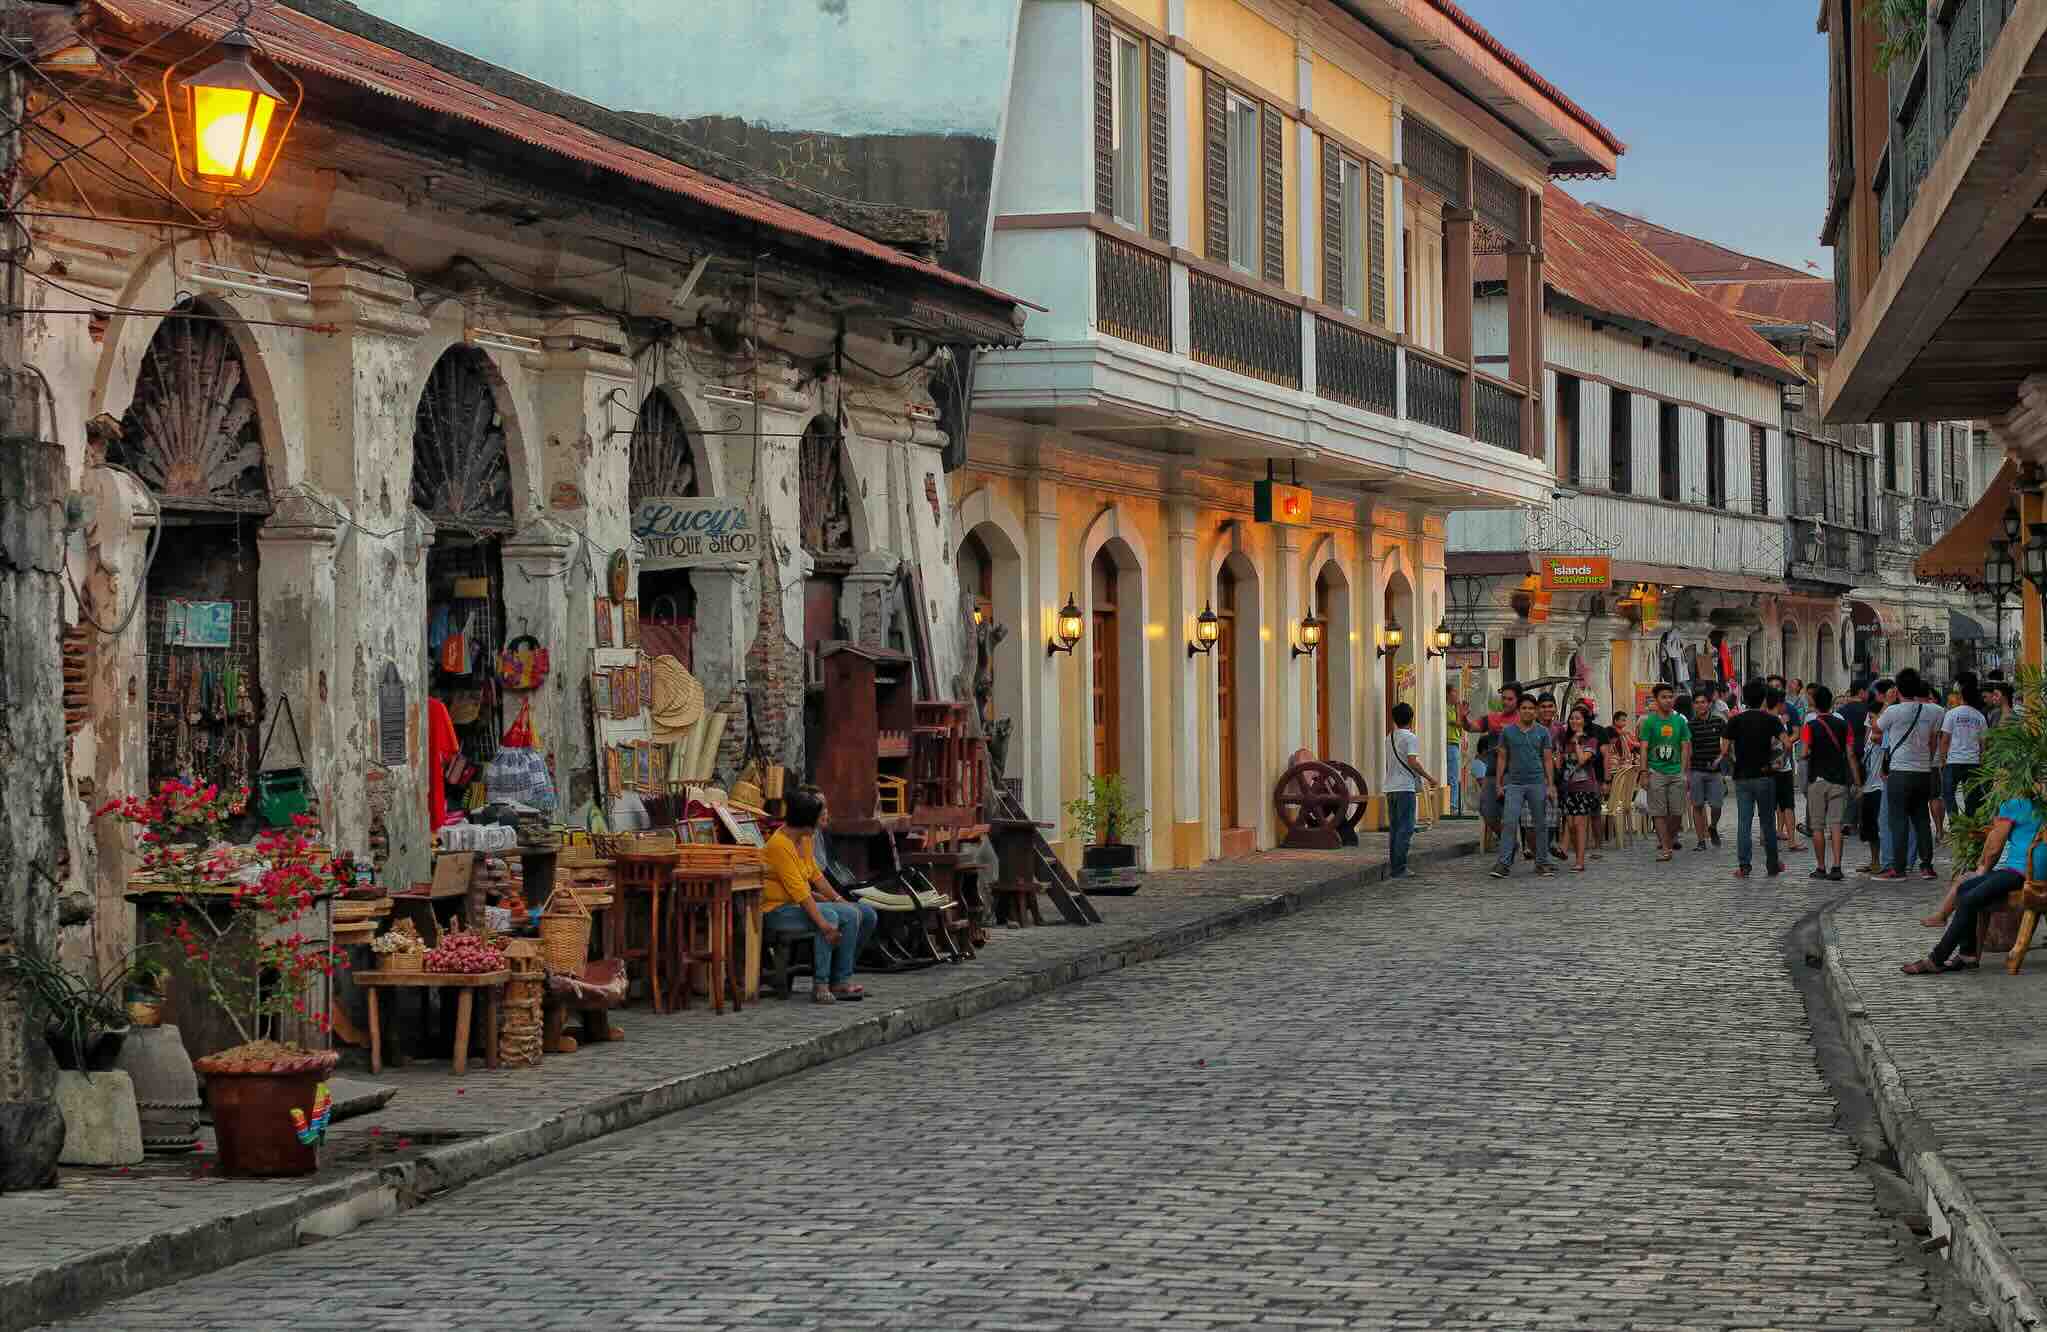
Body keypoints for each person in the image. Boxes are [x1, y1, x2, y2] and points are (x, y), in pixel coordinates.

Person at [1902, 794, 2044, 975]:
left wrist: (1982, 870)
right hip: (2030, 871)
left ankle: (1936, 959)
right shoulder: (2040, 802)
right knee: (1963, 889)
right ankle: (1967, 954)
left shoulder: (2015, 803)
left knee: (1969, 898)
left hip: (2022, 872)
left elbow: (1995, 846)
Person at [760, 787, 870, 1004]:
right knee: (829, 916)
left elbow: (816, 877)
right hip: (777, 911)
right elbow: (801, 894)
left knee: (863, 912)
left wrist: (840, 900)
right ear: (806, 820)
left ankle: (841, 978)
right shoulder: (780, 845)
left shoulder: (805, 840)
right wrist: (825, 925)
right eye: (819, 817)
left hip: (797, 905)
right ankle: (821, 984)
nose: (823, 820)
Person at [1876, 667, 1945, 881]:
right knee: (1921, 819)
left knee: (1898, 820)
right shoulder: (1935, 711)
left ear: (1897, 689)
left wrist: (1888, 702)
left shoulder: (1893, 711)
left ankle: (1898, 868)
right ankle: (1926, 866)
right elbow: (1933, 741)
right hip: (1923, 771)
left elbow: (1876, 727)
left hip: (1899, 771)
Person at [1489, 694, 1555, 879]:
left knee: (1541, 823)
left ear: (1536, 711)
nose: (1528, 711)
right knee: (1509, 822)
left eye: (1531, 708)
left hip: (1537, 782)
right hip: (1515, 784)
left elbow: (1548, 759)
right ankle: (1503, 863)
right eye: (1524, 708)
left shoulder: (1543, 732)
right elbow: (1502, 757)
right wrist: (1499, 783)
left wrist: (1550, 784)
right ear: (1519, 711)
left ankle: (1541, 862)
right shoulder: (1508, 732)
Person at [1801, 684, 1861, 882]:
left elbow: (1804, 753)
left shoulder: (1810, 726)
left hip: (1817, 780)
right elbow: (1850, 754)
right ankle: (1837, 867)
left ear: (1815, 704)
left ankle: (1820, 867)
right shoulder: (1844, 725)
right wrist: (1857, 781)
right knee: (1836, 825)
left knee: (1817, 827)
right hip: (1839, 780)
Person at [1636, 684, 1691, 863]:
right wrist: (1644, 772)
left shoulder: (1680, 721)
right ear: (1656, 699)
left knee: (1677, 811)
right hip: (1656, 771)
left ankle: (1668, 838)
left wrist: (1684, 771)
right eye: (1664, 697)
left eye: (1670, 697)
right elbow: (1644, 748)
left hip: (1676, 771)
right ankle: (1666, 848)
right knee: (1658, 812)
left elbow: (1685, 747)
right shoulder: (1649, 722)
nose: (1668, 700)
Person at [1384, 702, 1436, 878]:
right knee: (1406, 828)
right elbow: (1413, 762)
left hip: (1390, 787)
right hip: (1405, 787)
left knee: (1395, 828)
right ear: (1411, 719)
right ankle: (1399, 868)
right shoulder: (1410, 738)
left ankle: (1395, 866)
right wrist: (1429, 777)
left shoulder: (1389, 737)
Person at [1558, 709, 1605, 873]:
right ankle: (1576, 855)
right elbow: (1561, 763)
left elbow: (1582, 760)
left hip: (1584, 787)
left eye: (1577, 718)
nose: (1574, 721)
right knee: (1570, 825)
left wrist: (1577, 742)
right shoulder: (1565, 740)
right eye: (1571, 718)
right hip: (1568, 787)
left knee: (1579, 824)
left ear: (1584, 721)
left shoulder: (1590, 740)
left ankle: (1580, 861)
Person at [1938, 675, 1988, 821]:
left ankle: (1955, 823)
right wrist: (1982, 761)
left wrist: (1942, 760)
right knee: (1972, 797)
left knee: (1948, 794)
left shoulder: (1952, 714)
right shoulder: (1980, 716)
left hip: (1953, 762)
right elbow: (1983, 743)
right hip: (1973, 763)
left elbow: (1945, 740)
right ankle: (1969, 825)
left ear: (1961, 696)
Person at [1687, 690, 1728, 850]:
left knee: (1717, 805)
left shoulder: (1719, 721)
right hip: (1697, 769)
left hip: (1715, 770)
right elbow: (1688, 748)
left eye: (1703, 702)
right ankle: (1701, 841)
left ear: (1709, 704)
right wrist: (1688, 772)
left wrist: (1721, 757)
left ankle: (1713, 827)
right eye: (1697, 702)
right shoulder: (1690, 725)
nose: (1700, 705)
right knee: (1697, 805)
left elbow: (1726, 741)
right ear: (1693, 705)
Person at [1768, 689, 1806, 854]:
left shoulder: (1766, 719)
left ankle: (1767, 836)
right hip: (1781, 768)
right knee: (1788, 805)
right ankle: (1791, 840)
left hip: (1768, 768)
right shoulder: (1777, 721)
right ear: (1779, 704)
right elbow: (1787, 744)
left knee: (1769, 805)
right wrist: (1784, 756)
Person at [1858, 690, 1889, 874]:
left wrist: (1885, 707)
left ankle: (1885, 861)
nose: (1869, 721)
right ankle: (1874, 861)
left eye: (1872, 717)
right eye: (1869, 718)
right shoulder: (1869, 736)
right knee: (1869, 828)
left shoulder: (1883, 736)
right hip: (1868, 784)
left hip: (1879, 786)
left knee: (1879, 827)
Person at [1444, 686, 1464, 817]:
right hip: (1450, 743)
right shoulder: (1447, 708)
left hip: (1455, 743)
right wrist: (1458, 707)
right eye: (1454, 692)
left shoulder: (1451, 708)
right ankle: (1453, 806)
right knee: (1453, 776)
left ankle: (1453, 804)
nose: (1457, 696)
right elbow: (1458, 723)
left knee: (1454, 775)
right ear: (1447, 694)